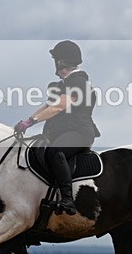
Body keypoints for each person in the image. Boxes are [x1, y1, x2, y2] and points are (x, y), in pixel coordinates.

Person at [14, 40, 101, 215]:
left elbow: (59, 107)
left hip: (79, 132)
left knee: (55, 152)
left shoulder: (79, 81)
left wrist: (31, 122)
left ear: (61, 61)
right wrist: (27, 120)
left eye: (56, 59)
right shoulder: (63, 84)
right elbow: (48, 106)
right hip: (65, 131)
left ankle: (68, 199)